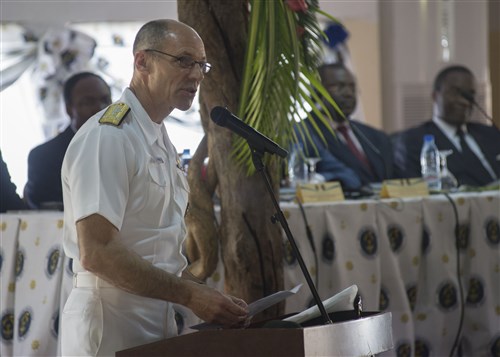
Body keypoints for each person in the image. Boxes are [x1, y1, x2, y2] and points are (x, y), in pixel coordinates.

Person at [60, 19, 249, 356]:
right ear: (142, 61)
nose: (196, 75)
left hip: (155, 318)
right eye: (183, 61)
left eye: (201, 65)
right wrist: (191, 296)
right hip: (109, 321)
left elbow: (159, 254)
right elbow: (98, 251)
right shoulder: (109, 136)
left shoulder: (159, 139)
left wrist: (210, 298)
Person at [392, 65, 500, 187]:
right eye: (455, 92)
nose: (464, 101)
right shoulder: (412, 141)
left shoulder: (491, 134)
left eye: (469, 95)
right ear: (435, 96)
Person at [296, 63, 395, 190]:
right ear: (315, 93)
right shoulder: (303, 133)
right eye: (338, 87)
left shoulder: (376, 137)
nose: (348, 93)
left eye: (352, 87)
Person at [24, 72, 112, 210]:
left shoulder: (127, 147)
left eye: (106, 100)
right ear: (69, 109)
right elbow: (50, 213)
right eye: (88, 102)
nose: (100, 108)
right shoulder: (44, 156)